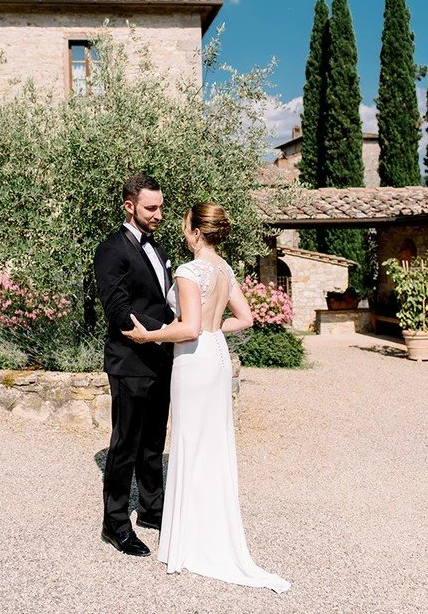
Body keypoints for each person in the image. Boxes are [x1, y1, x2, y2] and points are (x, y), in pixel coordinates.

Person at [123, 203, 291, 593]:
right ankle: (209, 530)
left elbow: (189, 328)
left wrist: (149, 336)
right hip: (216, 357)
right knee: (211, 443)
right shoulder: (225, 269)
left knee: (190, 442)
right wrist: (215, 330)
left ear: (198, 232)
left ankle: (192, 540)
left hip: (195, 363)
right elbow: (245, 318)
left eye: (186, 226)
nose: (183, 233)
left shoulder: (188, 270)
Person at [93, 174, 174, 557]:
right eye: (150, 208)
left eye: (160, 206)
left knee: (154, 441)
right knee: (125, 444)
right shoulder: (112, 249)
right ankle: (115, 524)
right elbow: (118, 309)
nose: (158, 214)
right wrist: (165, 332)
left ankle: (153, 511)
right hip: (130, 362)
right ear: (130, 206)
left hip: (161, 360)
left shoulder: (157, 246)